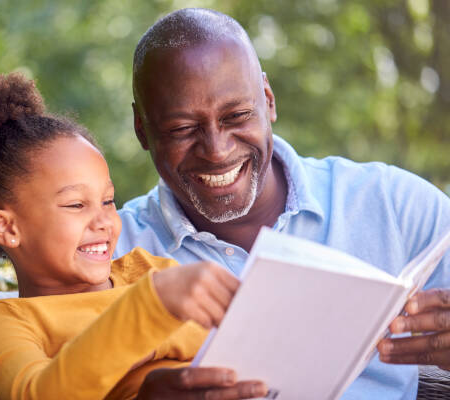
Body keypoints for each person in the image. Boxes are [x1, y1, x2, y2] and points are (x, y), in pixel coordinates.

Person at [115, 8, 450, 400]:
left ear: (268, 101)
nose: (217, 151)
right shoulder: (109, 253)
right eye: (182, 129)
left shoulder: (393, 204)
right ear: (142, 129)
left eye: (237, 116)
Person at [0, 68, 269, 400]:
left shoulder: (147, 271)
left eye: (108, 200)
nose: (105, 220)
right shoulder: (9, 322)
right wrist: (151, 305)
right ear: (7, 228)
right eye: (76, 205)